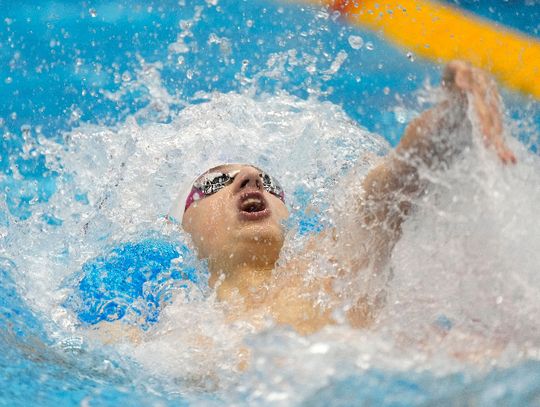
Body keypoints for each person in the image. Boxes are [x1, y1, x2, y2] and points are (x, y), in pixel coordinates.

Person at [176, 61, 517, 335]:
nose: (251, 179)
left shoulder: (332, 266)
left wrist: (456, 106)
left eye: (267, 181)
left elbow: (397, 182)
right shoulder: (175, 339)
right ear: (185, 227)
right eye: (217, 181)